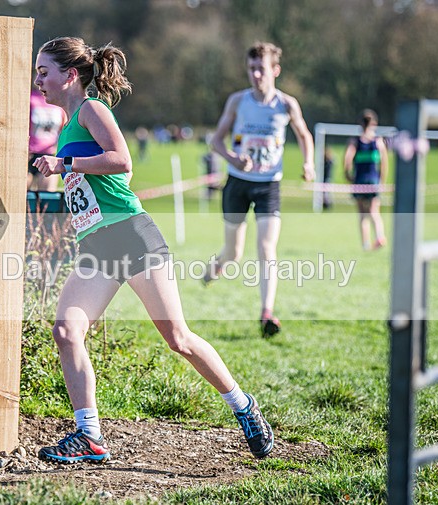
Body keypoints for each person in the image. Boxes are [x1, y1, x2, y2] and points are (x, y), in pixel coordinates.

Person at [31, 36, 274, 465]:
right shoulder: (67, 126)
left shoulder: (91, 109)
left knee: (177, 338)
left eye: (43, 71)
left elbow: (122, 160)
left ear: (70, 75)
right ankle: (89, 435)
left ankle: (243, 406)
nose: (38, 80)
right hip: (97, 247)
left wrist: (66, 165)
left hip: (132, 235)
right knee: (67, 331)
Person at [202, 41, 315, 338]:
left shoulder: (286, 104)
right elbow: (215, 141)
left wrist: (309, 164)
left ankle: (267, 312)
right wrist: (232, 158)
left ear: (275, 70)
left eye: (261, 69)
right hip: (237, 184)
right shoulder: (238, 102)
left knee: (267, 249)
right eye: (251, 69)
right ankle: (214, 268)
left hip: (268, 186)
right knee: (233, 253)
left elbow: (304, 135)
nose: (256, 75)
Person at [343, 109, 388, 251]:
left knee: (363, 214)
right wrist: (382, 180)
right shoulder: (378, 141)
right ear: (374, 123)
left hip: (359, 180)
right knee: (375, 211)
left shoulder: (355, 141)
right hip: (373, 181)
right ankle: (380, 236)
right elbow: (384, 162)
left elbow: (347, 159)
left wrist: (348, 175)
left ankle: (366, 244)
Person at [28, 88, 66, 192]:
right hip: (29, 155)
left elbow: (63, 128)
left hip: (48, 155)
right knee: (24, 198)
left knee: (46, 197)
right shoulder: (30, 97)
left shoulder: (59, 102)